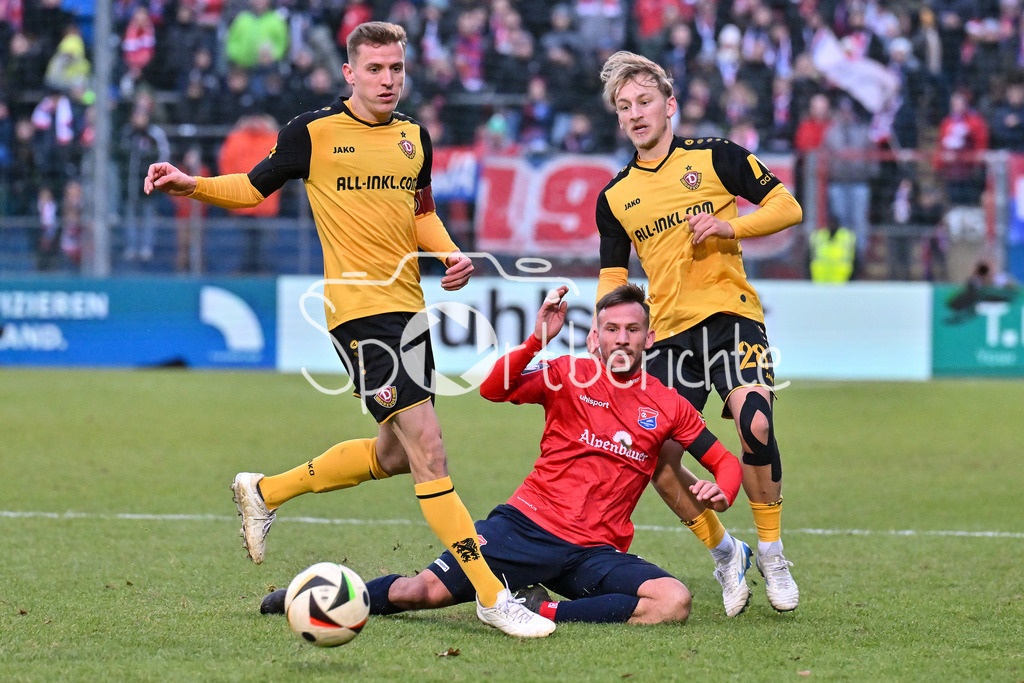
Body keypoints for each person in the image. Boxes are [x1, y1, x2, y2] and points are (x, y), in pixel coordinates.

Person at [144, 21, 554, 639]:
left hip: (408, 310)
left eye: (397, 69)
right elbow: (254, 188)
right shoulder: (312, 133)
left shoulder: (415, 138)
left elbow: (423, 214)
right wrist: (191, 183)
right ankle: (492, 595)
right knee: (430, 449)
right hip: (360, 312)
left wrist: (449, 253)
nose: (388, 80)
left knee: (394, 453)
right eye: (376, 69)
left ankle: (265, 489)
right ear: (350, 74)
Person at [260, 284, 743, 624]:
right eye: (612, 329)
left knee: (673, 602)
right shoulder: (567, 374)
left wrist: (722, 489)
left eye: (633, 330)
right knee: (420, 592)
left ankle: (541, 608)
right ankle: (312, 598)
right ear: (595, 337)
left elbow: (724, 461)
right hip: (524, 529)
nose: (622, 339)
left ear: (649, 338)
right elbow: (493, 388)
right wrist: (537, 340)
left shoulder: (668, 404)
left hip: (596, 551)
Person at [593, 51, 803, 614]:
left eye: (644, 102)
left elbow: (788, 206)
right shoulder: (614, 196)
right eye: (624, 107)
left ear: (670, 106)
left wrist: (729, 224)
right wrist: (606, 324)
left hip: (733, 316)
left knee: (755, 422)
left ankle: (772, 551)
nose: (636, 114)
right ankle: (725, 552)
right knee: (654, 454)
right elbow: (614, 272)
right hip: (669, 335)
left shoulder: (716, 158)